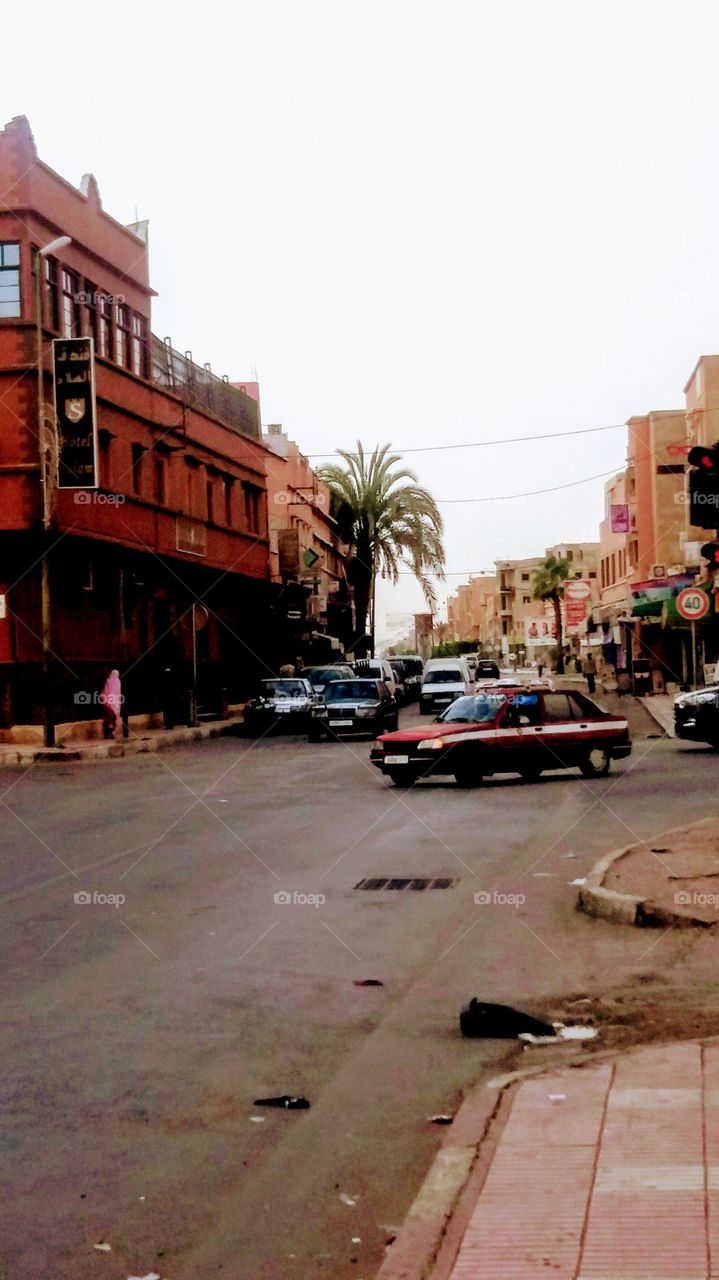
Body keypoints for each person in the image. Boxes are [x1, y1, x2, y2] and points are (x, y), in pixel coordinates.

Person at [100, 668, 122, 739]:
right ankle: (108, 734)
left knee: (111, 719)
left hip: (109, 703)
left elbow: (116, 692)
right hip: (111, 703)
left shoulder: (112, 681)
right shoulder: (114, 681)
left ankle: (109, 734)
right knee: (111, 718)